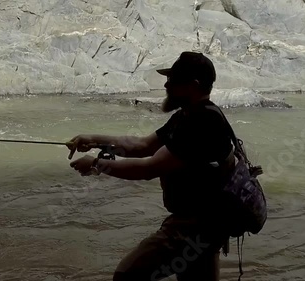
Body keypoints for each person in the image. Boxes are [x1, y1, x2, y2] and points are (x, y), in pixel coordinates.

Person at [67, 51, 236, 281]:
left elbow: (149, 168)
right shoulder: (188, 117)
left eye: (173, 79)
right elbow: (142, 145)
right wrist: (94, 140)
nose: (166, 84)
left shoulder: (202, 123)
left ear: (193, 85)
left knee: (128, 275)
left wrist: (98, 164)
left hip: (193, 227)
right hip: (207, 227)